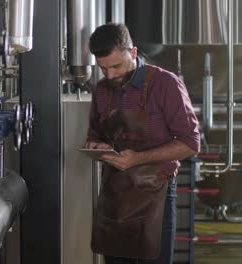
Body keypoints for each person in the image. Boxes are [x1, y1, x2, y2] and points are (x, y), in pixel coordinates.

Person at [83, 23, 200, 264]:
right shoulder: (102, 90)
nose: (110, 75)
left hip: (155, 194)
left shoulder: (166, 84)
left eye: (116, 66)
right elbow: (94, 135)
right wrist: (97, 147)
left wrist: (137, 158)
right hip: (114, 197)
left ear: (133, 53)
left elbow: (191, 143)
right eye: (103, 68)